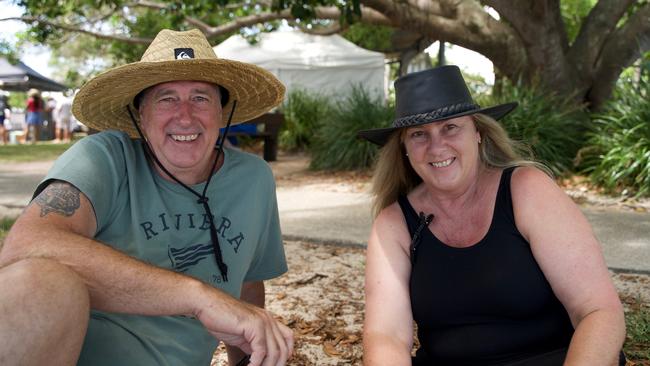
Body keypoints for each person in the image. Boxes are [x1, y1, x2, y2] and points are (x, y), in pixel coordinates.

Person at [0, 28, 293, 366]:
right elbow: (26, 246)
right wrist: (198, 297)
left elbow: (248, 285)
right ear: (140, 114)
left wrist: (251, 357)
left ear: (222, 113)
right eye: (166, 98)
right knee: (41, 281)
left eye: (200, 97)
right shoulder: (104, 157)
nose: (185, 115)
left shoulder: (253, 179)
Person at [359, 65, 626, 365]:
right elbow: (387, 337)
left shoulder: (526, 190)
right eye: (419, 134)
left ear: (478, 133)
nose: (436, 147)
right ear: (404, 148)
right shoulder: (394, 224)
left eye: (450, 127)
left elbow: (599, 312)